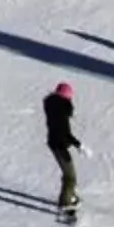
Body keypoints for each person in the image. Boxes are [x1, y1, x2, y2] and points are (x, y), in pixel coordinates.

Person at [44, 80, 81, 217]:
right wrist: (78, 144)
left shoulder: (53, 108)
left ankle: (69, 195)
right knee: (70, 177)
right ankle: (65, 204)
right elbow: (65, 133)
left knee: (69, 175)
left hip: (54, 144)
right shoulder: (61, 113)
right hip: (59, 146)